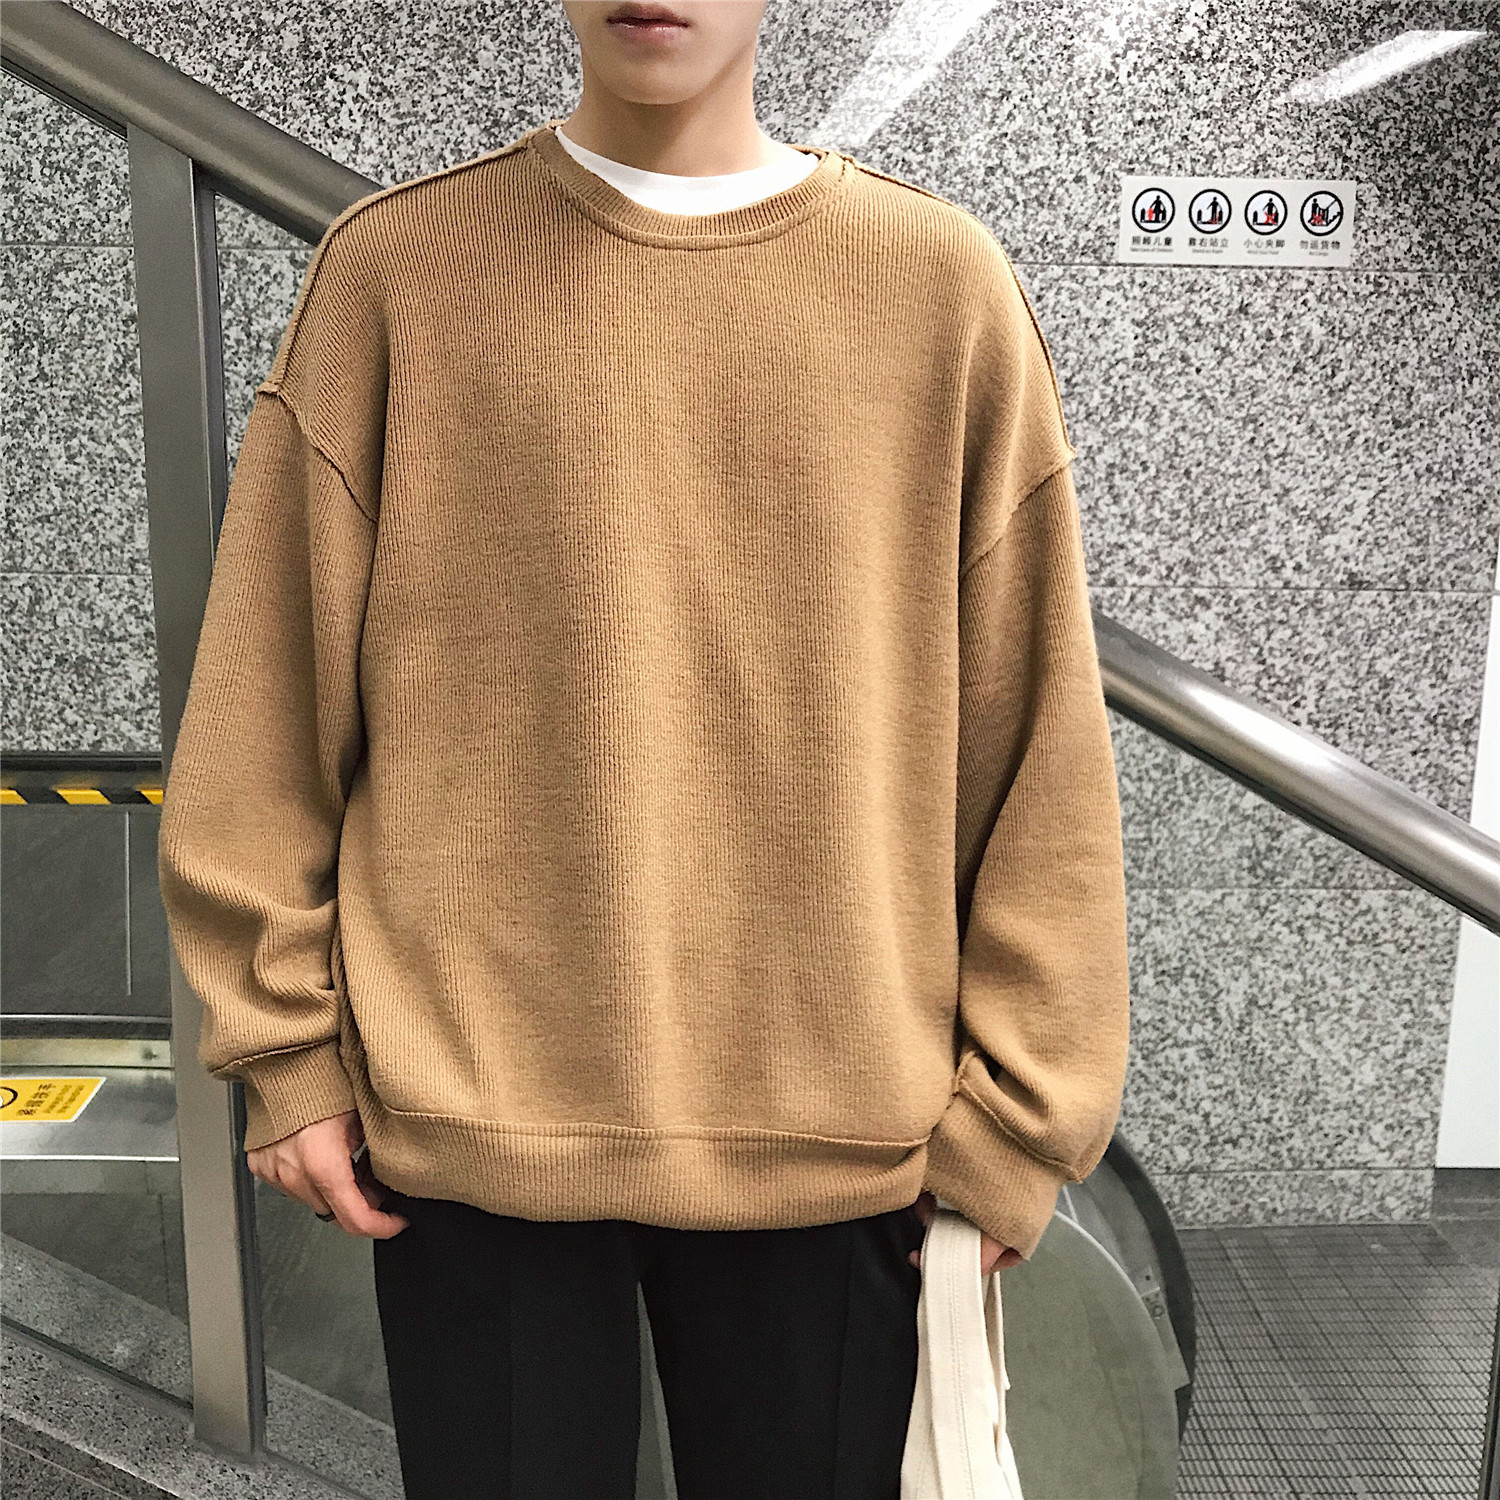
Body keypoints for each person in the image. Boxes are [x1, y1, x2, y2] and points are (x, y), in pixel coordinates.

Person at [157, 2, 1131, 1495]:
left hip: (835, 1131)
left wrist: (1022, 1109)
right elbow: (267, 706)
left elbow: (1036, 745)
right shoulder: (399, 274)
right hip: (473, 1122)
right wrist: (284, 1048)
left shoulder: (938, 289)